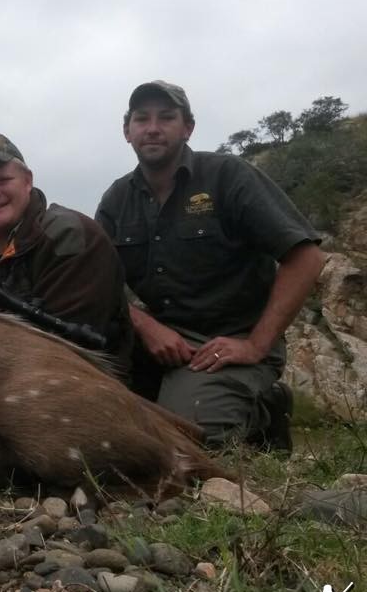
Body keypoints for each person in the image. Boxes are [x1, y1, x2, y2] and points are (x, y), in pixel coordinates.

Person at [95, 81, 325, 450]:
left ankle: (264, 411)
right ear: (127, 131)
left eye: (167, 117)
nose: (153, 127)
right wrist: (147, 325)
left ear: (188, 128)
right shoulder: (116, 198)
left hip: (226, 343)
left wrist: (254, 345)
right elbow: (97, 280)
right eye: (142, 119)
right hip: (157, 343)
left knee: (183, 443)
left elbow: (306, 258)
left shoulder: (228, 176)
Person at [0, 133, 132, 376]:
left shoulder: (72, 237)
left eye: (2, 180)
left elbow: (67, 354)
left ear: (27, 181)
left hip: (85, 383)